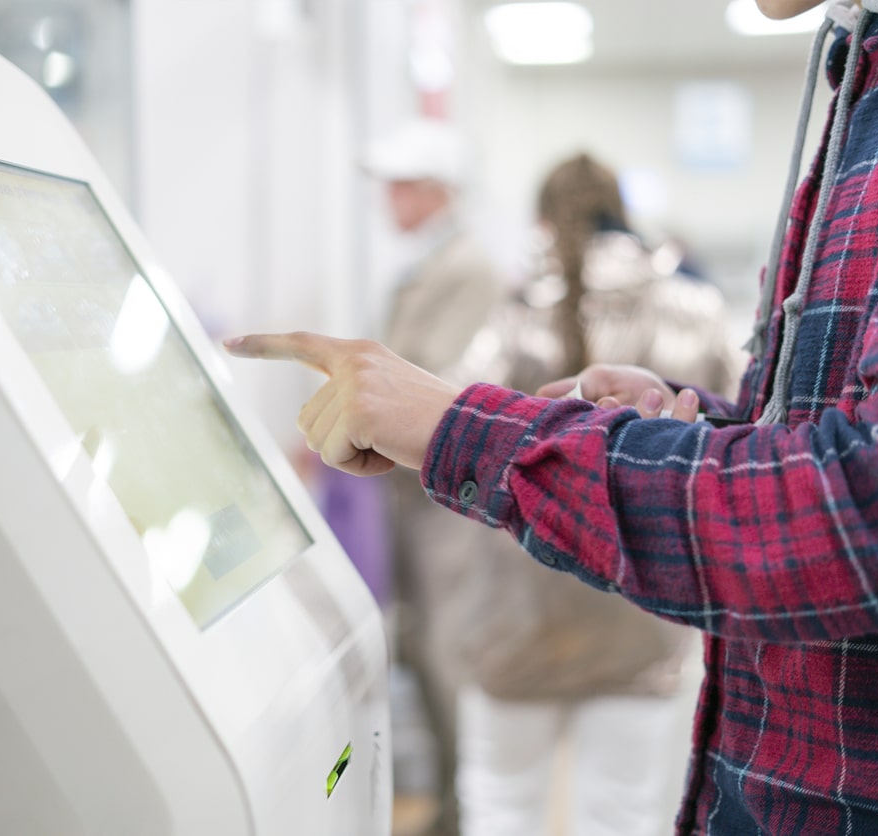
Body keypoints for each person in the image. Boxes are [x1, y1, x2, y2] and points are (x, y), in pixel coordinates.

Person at [227, 0, 878, 831]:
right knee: (614, 811)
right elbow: (815, 440)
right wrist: (692, 430)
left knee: (505, 803)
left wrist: (462, 424)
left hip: (861, 778)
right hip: (710, 693)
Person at [447, 151, 739, 835]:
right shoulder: (692, 308)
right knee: (624, 816)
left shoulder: (512, 313)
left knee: (499, 806)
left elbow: (449, 418)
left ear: (543, 220)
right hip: (643, 598)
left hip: (513, 613)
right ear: (622, 214)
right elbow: (749, 423)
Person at [362, 117, 507, 836]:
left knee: (447, 647)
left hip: (443, 493)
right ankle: (451, 807)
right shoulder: (428, 265)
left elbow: (438, 381)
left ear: (432, 190)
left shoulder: (468, 270)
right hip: (411, 491)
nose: (388, 201)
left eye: (397, 187)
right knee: (420, 642)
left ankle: (464, 812)